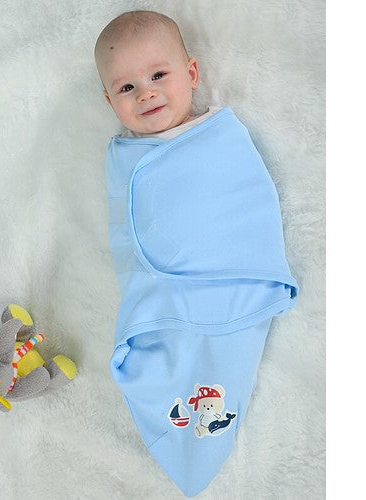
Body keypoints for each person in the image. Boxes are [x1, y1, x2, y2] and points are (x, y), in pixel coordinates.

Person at [94, 11, 298, 497]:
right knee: (165, 360)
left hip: (231, 285)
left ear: (191, 73)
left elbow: (248, 201)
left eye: (158, 75)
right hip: (159, 298)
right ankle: (187, 430)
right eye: (127, 88)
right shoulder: (124, 156)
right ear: (108, 100)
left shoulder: (219, 137)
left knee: (221, 363)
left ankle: (201, 433)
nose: (146, 94)